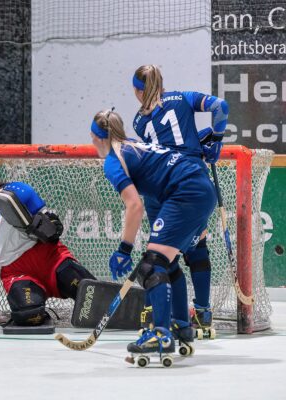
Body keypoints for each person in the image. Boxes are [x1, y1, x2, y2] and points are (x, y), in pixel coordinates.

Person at [90, 109, 216, 357]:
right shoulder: (137, 145)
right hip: (199, 188)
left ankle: (160, 333)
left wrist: (124, 249)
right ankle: (181, 326)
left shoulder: (114, 161)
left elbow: (134, 205)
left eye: (92, 136)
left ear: (97, 137)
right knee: (167, 265)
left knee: (151, 266)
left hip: (186, 193)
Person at [131, 65, 229, 336]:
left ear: (137, 91)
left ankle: (154, 317)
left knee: (160, 254)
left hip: (157, 186)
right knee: (196, 249)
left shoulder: (138, 121)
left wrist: (196, 142)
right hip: (189, 180)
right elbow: (220, 106)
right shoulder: (183, 97)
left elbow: (164, 147)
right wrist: (215, 140)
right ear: (162, 83)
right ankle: (202, 314)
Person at [0, 155, 96, 329]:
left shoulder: (16, 192)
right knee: (28, 315)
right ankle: (37, 306)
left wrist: (48, 226)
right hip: (17, 274)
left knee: (93, 296)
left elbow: (53, 227)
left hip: (51, 260)